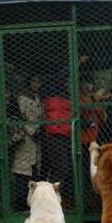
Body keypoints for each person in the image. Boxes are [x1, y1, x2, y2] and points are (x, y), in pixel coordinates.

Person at [11, 75, 43, 210]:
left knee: (34, 169)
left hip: (36, 140)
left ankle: (32, 202)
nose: (37, 84)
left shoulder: (38, 99)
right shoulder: (21, 99)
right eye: (34, 81)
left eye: (39, 82)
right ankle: (20, 202)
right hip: (25, 138)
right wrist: (32, 131)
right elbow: (20, 119)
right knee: (21, 170)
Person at [42, 72, 73, 207]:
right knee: (61, 169)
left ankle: (56, 197)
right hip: (55, 134)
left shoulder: (68, 98)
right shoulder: (53, 97)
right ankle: (51, 198)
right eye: (67, 82)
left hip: (64, 134)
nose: (69, 85)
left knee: (61, 169)